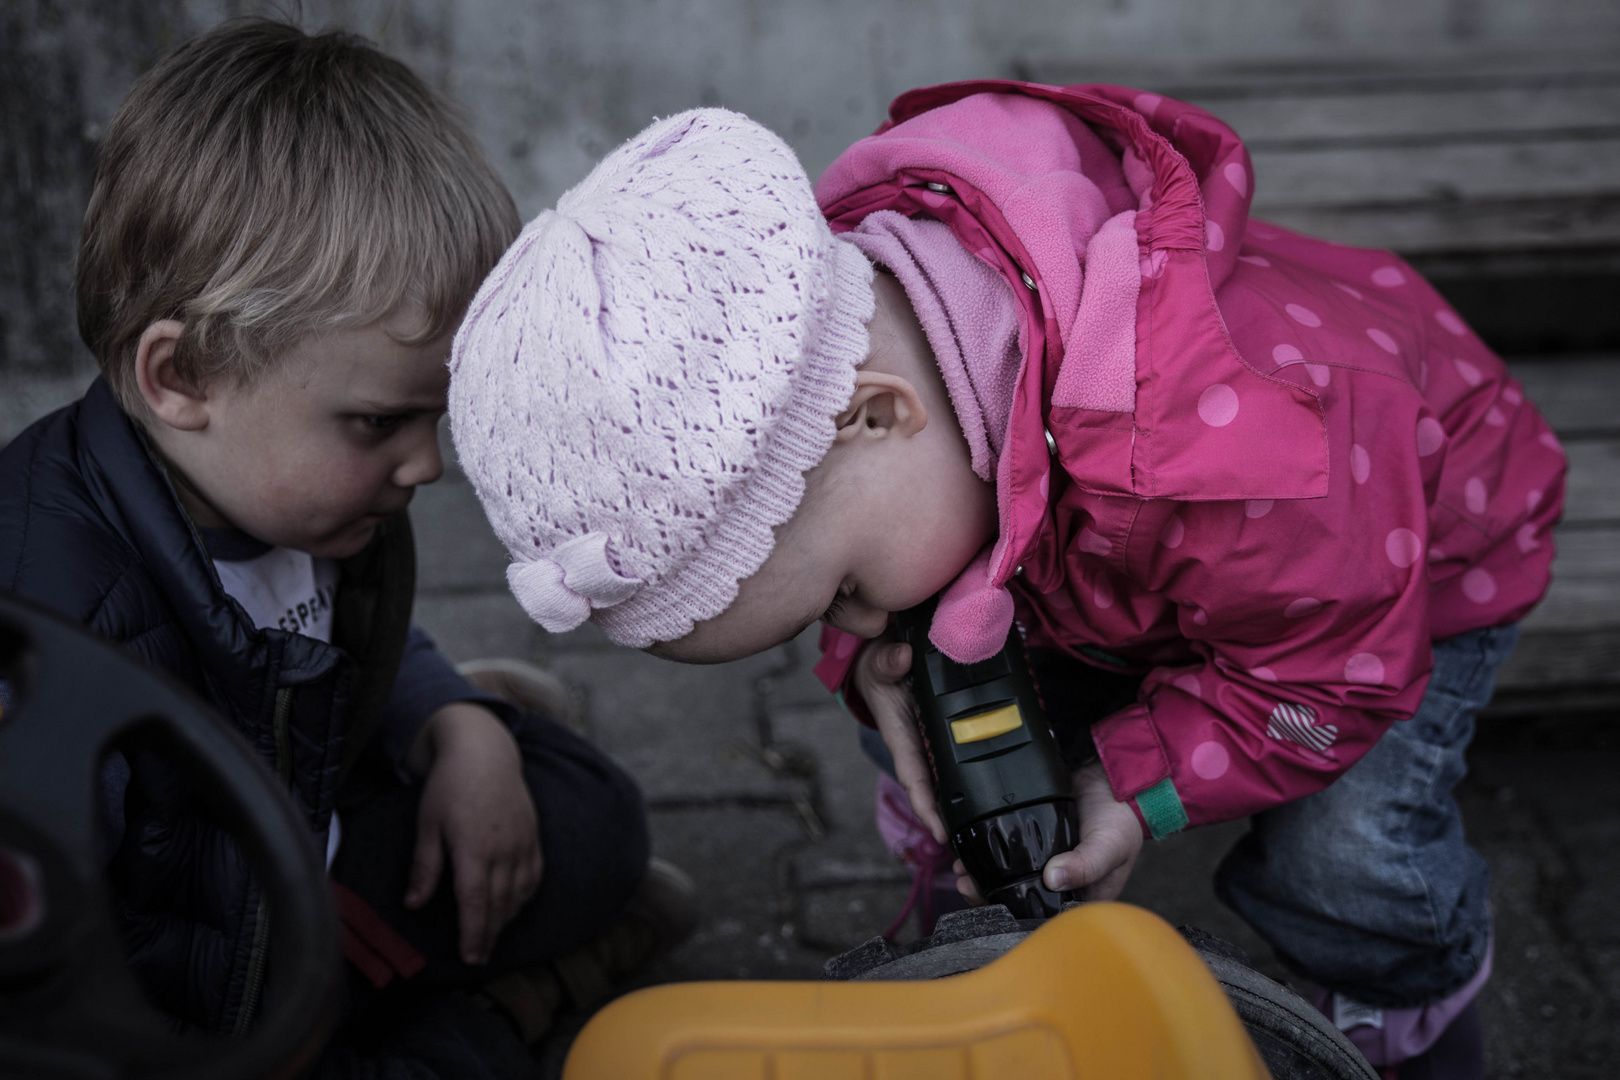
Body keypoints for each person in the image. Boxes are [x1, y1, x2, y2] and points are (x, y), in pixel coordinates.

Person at [449, 85, 1566, 1079]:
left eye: (840, 593)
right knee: (951, 705)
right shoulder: (871, 369)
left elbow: (1334, 674)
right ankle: (996, 918)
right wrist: (867, 670)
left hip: (1378, 590)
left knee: (1346, 857)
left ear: (884, 413)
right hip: (1115, 546)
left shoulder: (1250, 453)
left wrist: (1137, 783)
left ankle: (1407, 1007)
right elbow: (878, 537)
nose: (862, 622)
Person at [0, 20, 689, 1078]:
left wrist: (453, 725)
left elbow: (349, 620)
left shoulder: (303, 498)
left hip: (305, 862)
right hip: (185, 1001)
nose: (427, 466)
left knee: (591, 819)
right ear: (179, 378)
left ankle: (459, 721)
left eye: (438, 416)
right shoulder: (48, 622)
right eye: (379, 424)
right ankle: (511, 1011)